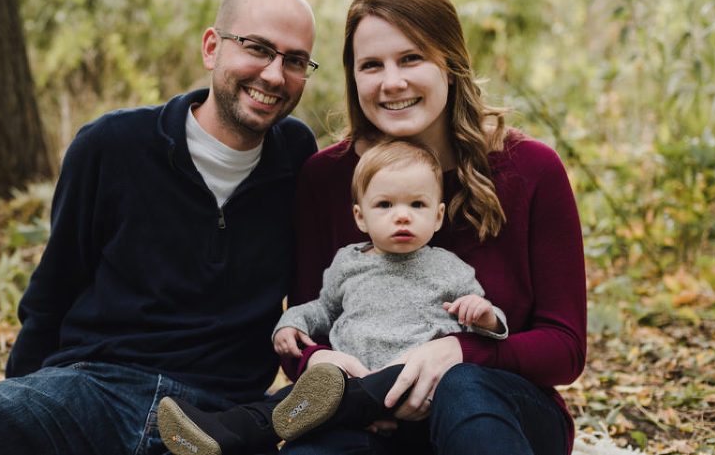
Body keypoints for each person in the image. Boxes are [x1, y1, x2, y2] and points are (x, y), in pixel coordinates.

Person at [0, 0, 320, 455]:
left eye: (293, 60)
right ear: (212, 47)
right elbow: (53, 291)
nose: (273, 75)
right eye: (257, 48)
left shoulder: (298, 159)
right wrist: (23, 402)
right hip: (95, 389)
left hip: (221, 417)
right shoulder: (112, 145)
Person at [283, 0, 587, 455]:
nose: (392, 82)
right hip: (369, 411)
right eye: (371, 66)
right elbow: (307, 329)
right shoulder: (326, 178)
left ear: (450, 64)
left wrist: (459, 352)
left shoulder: (529, 170)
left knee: (462, 385)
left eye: (411, 58)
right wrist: (324, 364)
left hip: (495, 411)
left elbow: (565, 350)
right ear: (353, 78)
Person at [156, 140, 508, 455]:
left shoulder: (446, 266)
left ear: (437, 216)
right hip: (350, 385)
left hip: (414, 387)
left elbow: (486, 324)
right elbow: (323, 308)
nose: (402, 215)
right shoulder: (349, 262)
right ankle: (223, 432)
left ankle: (251, 427)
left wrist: (484, 313)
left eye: (417, 204)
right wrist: (293, 323)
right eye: (385, 205)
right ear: (361, 216)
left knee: (317, 398)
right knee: (295, 400)